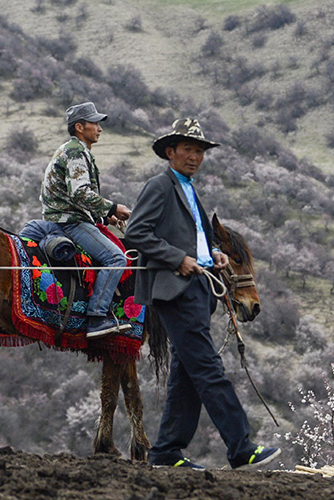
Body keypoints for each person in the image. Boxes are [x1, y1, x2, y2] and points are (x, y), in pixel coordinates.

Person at [125, 118, 280, 471]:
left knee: (187, 370)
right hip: (175, 289)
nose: (195, 156)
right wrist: (177, 258)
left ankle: (166, 451)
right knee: (209, 368)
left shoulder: (188, 188)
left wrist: (213, 253)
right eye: (188, 150)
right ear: (171, 152)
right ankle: (241, 448)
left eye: (199, 151)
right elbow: (136, 232)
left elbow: (191, 235)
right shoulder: (159, 186)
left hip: (197, 288)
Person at [40, 102, 132, 338]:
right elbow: (80, 193)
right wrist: (113, 206)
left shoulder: (74, 149)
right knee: (116, 258)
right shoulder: (76, 152)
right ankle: (97, 317)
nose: (99, 128)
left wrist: (105, 216)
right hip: (70, 223)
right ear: (80, 127)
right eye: (94, 123)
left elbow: (75, 196)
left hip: (66, 217)